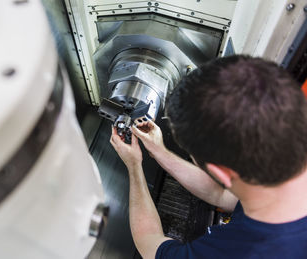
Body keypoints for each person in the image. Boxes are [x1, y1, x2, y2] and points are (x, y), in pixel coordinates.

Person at [110, 55, 307, 259]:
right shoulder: (275, 180)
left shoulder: (237, 252)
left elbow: (149, 243)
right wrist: (160, 151)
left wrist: (134, 165)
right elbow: (222, 196)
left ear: (220, 173)